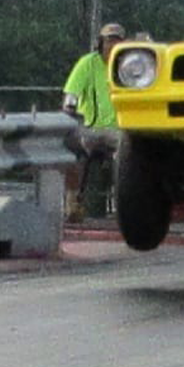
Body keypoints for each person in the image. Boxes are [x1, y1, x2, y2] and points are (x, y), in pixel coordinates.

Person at [62, 22, 126, 221]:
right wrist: (70, 112)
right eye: (108, 41)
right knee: (75, 152)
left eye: (117, 41)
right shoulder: (87, 63)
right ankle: (73, 204)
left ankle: (127, 207)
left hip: (119, 130)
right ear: (100, 43)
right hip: (89, 127)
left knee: (130, 154)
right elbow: (71, 96)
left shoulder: (129, 66)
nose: (112, 46)